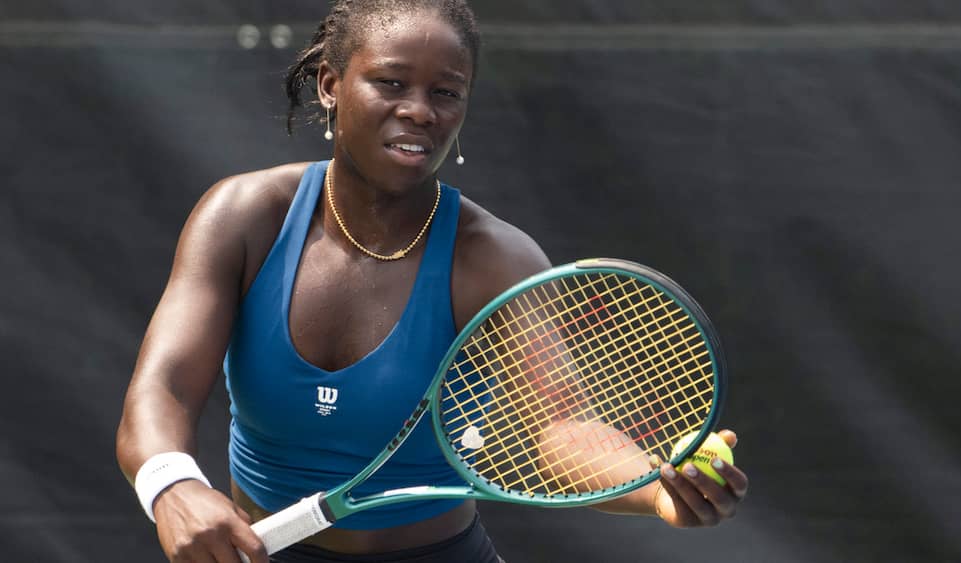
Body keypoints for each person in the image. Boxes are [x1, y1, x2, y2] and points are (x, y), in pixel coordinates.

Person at [115, 1, 750, 561]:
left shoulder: (494, 259)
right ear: (332, 84)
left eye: (446, 92)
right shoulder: (244, 218)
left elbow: (556, 429)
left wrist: (655, 488)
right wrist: (173, 485)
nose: (419, 111)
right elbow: (163, 386)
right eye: (390, 82)